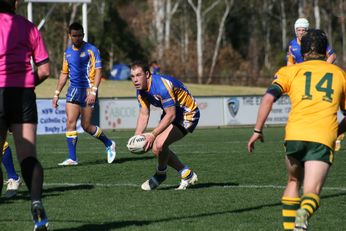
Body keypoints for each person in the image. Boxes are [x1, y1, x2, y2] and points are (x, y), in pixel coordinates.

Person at [248, 29, 346, 231]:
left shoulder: (289, 71)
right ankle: (304, 213)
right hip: (322, 136)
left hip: (294, 135)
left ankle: (291, 227)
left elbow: (268, 98)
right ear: (325, 50)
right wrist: (336, 132)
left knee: (293, 181)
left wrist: (257, 130)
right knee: (312, 191)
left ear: (301, 50)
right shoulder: (340, 74)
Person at [0, 0, 50, 230]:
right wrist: (29, 86)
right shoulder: (29, 27)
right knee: (28, 156)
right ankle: (37, 202)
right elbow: (44, 70)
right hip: (23, 94)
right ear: (16, 3)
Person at [52, 22, 116, 166]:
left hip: (88, 90)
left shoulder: (92, 50)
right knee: (70, 122)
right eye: (74, 35)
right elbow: (64, 74)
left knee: (86, 126)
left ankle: (109, 143)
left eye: (80, 35)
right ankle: (72, 158)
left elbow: (99, 71)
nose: (77, 38)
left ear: (83, 35)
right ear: (69, 36)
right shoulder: (67, 53)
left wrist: (94, 91)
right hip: (73, 90)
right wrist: (56, 94)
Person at [130, 61, 199, 190]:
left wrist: (153, 134)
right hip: (171, 113)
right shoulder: (140, 91)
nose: (135, 80)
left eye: (138, 75)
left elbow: (171, 115)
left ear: (147, 74)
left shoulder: (161, 86)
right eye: (132, 76)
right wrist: (137, 136)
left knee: (160, 144)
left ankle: (161, 174)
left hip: (187, 113)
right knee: (157, 149)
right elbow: (144, 114)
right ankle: (184, 173)